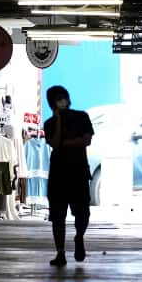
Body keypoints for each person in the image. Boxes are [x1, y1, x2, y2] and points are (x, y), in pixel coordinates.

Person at [43, 85, 94, 267]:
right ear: (52, 104)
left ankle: (79, 237)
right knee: (57, 216)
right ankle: (60, 253)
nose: (62, 101)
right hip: (58, 174)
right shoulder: (49, 124)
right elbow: (55, 143)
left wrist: (66, 143)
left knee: (83, 213)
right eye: (58, 99)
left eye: (63, 97)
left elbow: (86, 140)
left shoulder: (82, 117)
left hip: (78, 172)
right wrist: (57, 121)